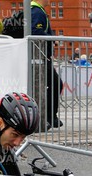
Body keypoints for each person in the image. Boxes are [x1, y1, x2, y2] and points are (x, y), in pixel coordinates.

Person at [31, 0, 64, 129]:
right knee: (55, 84)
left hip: (42, 57)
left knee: (52, 85)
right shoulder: (37, 12)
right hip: (41, 57)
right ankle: (49, 117)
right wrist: (51, 39)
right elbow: (35, 31)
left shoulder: (36, 10)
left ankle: (48, 117)